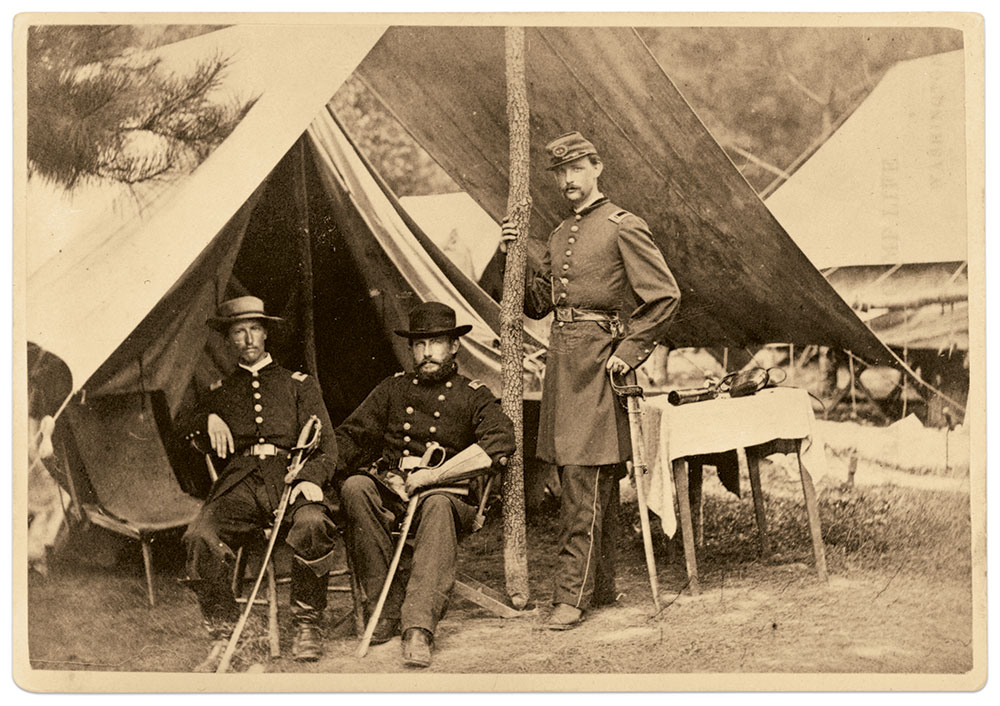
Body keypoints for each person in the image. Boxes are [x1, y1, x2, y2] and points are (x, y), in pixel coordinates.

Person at [500, 131, 681, 629]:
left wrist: (629, 351)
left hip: (600, 361)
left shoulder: (624, 226)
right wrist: (512, 255)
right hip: (563, 363)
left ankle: (570, 596)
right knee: (581, 477)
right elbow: (538, 306)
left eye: (576, 168)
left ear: (597, 167)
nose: (568, 180)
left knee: (585, 479)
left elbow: (664, 296)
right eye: (560, 173)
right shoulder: (558, 235)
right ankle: (598, 586)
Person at [335, 301, 515, 668]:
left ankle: (418, 627)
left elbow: (499, 442)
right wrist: (314, 475)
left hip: (448, 497)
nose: (427, 352)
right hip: (395, 492)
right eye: (419, 344)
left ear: (454, 346)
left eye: (435, 343)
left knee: (437, 504)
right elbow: (349, 437)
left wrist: (433, 476)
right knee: (355, 488)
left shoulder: (473, 393)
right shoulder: (393, 389)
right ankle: (384, 609)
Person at [179, 296, 339, 662]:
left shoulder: (299, 384)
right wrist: (206, 419)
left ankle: (307, 624)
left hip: (292, 476)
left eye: (254, 329)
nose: (248, 339)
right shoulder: (220, 392)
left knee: (313, 522)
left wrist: (311, 477)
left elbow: (328, 444)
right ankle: (224, 631)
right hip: (240, 484)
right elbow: (179, 428)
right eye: (239, 332)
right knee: (200, 536)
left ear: (265, 333)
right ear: (229, 339)